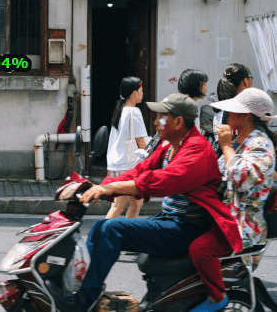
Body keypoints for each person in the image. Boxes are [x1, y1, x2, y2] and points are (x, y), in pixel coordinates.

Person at [58, 94, 243, 311]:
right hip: (171, 221)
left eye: (162, 117)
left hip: (186, 228)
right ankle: (83, 290)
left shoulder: (197, 150)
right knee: (100, 227)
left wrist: (111, 189)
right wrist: (99, 186)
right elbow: (140, 170)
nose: (156, 122)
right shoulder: (170, 146)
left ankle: (84, 301)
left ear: (178, 122)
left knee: (111, 229)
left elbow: (163, 181)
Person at [187, 88, 276, 312]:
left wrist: (225, 145)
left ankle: (217, 297)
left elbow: (239, 177)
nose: (228, 115)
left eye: (234, 112)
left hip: (244, 224)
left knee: (201, 250)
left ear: (246, 116)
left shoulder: (260, 145)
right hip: (224, 213)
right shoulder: (241, 139)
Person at [105, 77, 148, 219]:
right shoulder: (134, 112)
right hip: (127, 166)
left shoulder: (120, 111)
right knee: (119, 207)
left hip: (116, 164)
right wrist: (152, 157)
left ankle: (127, 234)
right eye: (141, 91)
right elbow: (141, 141)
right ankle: (101, 234)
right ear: (133, 93)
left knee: (135, 204)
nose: (143, 93)